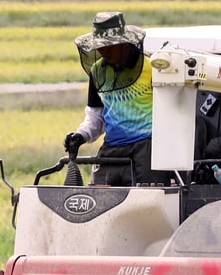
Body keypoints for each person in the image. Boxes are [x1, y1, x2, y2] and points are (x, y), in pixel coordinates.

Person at [65, 11, 157, 186]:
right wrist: (81, 135)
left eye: (109, 46)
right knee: (100, 200)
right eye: (100, 47)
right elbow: (96, 115)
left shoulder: (151, 68)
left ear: (123, 43)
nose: (104, 51)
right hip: (112, 149)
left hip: (146, 149)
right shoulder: (98, 71)